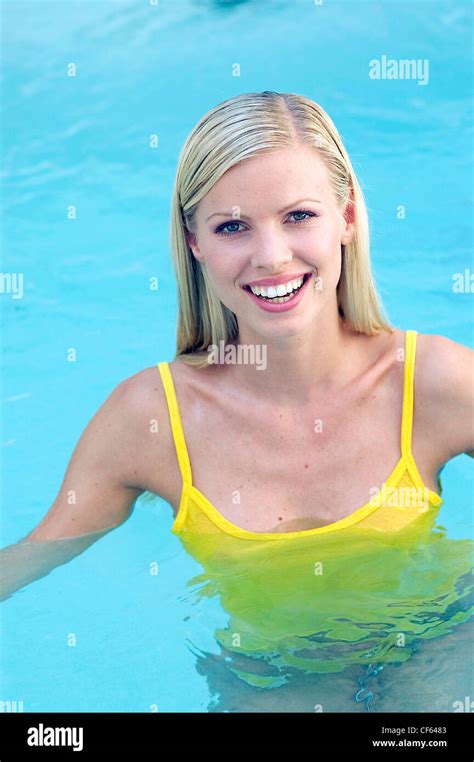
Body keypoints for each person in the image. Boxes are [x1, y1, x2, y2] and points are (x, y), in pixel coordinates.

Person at [1, 93, 472, 710]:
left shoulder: (433, 381)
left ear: (347, 218)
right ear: (194, 243)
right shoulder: (151, 420)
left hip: (442, 633)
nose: (272, 256)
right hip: (272, 666)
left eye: (299, 216)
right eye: (231, 227)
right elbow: (41, 551)